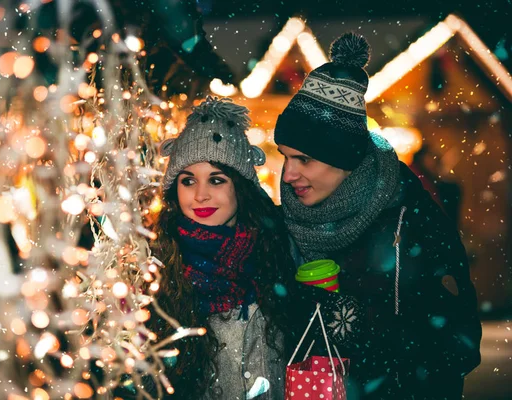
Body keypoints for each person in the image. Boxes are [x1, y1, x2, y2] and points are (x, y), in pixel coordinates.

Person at [273, 32, 482, 399]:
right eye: (285, 156)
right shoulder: (283, 222)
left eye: (304, 159)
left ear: (346, 159)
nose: (288, 174)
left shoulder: (410, 216)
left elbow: (456, 336)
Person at [147, 96, 298, 399]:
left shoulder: (279, 250)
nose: (200, 195)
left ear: (240, 187)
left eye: (216, 180)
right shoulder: (155, 265)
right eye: (188, 181)